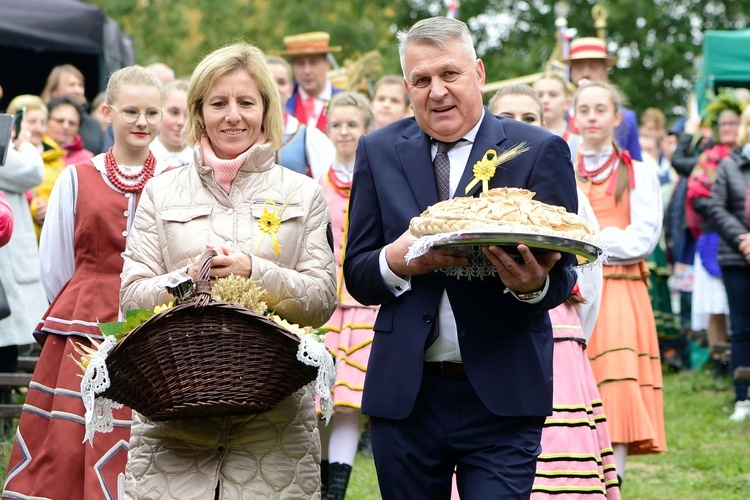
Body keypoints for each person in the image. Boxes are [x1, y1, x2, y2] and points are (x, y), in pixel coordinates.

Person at [343, 17, 578, 498]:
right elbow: (359, 273)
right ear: (407, 87)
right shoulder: (378, 150)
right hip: (407, 397)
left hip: (502, 395)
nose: (437, 92)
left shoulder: (537, 150)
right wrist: (399, 260)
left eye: (449, 74)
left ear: (479, 73)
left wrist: (531, 284)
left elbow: (562, 276)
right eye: (421, 80)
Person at [118, 42, 337, 499]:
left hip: (275, 428)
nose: (232, 116)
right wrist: (188, 279)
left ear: (266, 110)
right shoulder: (161, 193)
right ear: (199, 111)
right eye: (218, 103)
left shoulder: (303, 193)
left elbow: (320, 300)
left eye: (245, 103)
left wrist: (254, 273)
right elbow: (131, 297)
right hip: (172, 424)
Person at [2, 65, 168, 500]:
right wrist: (77, 307)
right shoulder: (77, 176)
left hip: (150, 319)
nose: (142, 122)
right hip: (84, 319)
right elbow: (55, 263)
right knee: (72, 428)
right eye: (131, 111)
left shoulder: (174, 180)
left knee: (142, 428)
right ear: (107, 114)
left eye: (152, 112)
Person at [484, 83, 619, 499]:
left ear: (546, 125)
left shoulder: (565, 185)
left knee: (560, 441)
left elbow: (588, 267)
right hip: (491, 335)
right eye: (506, 119)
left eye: (530, 119)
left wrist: (578, 331)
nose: (520, 128)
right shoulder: (479, 188)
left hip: (557, 330)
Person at [573, 81, 667, 484]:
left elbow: (641, 240)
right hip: (571, 287)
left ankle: (615, 482)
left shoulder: (638, 173)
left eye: (600, 109)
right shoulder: (561, 165)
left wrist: (589, 238)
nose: (592, 117)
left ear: (616, 117)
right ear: (574, 118)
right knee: (572, 379)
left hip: (619, 288)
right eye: (585, 110)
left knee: (615, 384)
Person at [316, 91, 376, 499]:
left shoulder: (379, 181)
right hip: (324, 306)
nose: (344, 132)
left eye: (353, 124)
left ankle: (335, 492)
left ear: (367, 129)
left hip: (364, 303)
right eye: (337, 124)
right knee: (320, 404)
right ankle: (318, 486)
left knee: (349, 404)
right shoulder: (316, 185)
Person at [686, 93, 744, 377]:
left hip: (743, 235)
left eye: (734, 123)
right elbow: (696, 196)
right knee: (716, 303)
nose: (729, 128)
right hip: (715, 234)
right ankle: (721, 362)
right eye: (724, 124)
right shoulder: (711, 156)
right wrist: (724, 211)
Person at [706, 105, 750, 421]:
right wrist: (744, 239)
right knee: (742, 327)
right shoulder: (729, 165)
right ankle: (742, 397)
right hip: (737, 257)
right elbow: (717, 208)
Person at [0, 127, 46, 405]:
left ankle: (5, 415)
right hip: (6, 259)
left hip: (10, 258)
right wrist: (25, 144)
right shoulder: (19, 149)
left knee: (8, 345)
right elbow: (31, 171)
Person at [560, 37, 642, 162]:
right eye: (579, 67)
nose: (586, 73)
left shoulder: (626, 117)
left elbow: (635, 163)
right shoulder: (559, 116)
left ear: (605, 72)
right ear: (571, 73)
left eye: (593, 67)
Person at [5, 94, 65, 237]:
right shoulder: (8, 157)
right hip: (20, 237)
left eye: (42, 122)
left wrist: (50, 208)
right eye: (32, 122)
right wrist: (33, 208)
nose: (38, 128)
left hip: (52, 235)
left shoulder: (56, 157)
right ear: (16, 124)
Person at [267, 55, 335, 179]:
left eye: (281, 82)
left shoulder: (307, 135)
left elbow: (328, 185)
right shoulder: (241, 131)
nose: (274, 88)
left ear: (290, 89)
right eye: (268, 82)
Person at [281, 31, 343, 134]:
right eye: (300, 64)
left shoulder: (343, 100)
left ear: (328, 65)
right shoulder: (283, 103)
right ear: (292, 67)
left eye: (314, 63)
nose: (307, 71)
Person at [41, 64, 104, 155]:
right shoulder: (41, 118)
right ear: (54, 91)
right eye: (72, 85)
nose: (78, 91)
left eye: (80, 85)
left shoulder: (93, 125)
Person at [149, 78, 193, 168]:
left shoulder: (203, 160)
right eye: (174, 112)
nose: (181, 122)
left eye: (188, 115)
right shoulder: (142, 155)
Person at [46, 95, 95, 165]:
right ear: (47, 121)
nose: (66, 126)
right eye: (60, 121)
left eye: (72, 123)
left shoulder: (87, 161)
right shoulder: (35, 150)